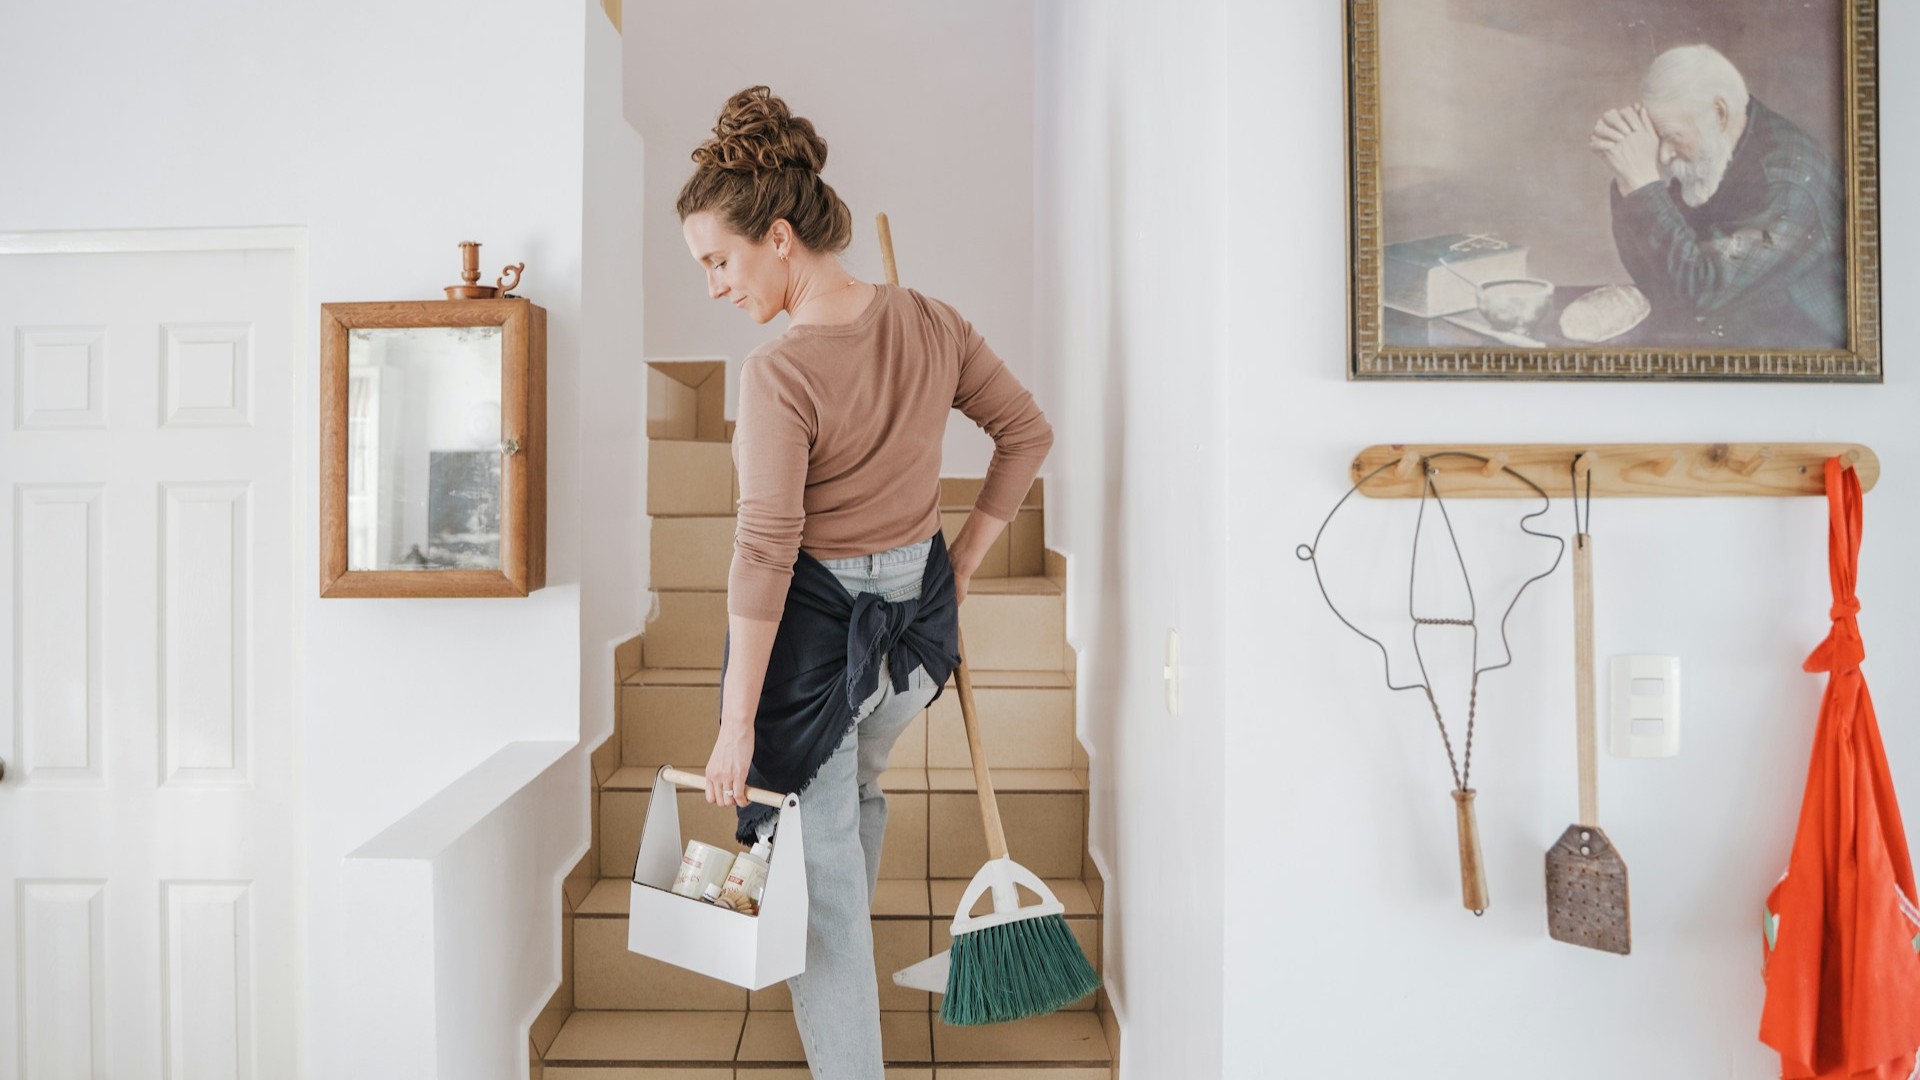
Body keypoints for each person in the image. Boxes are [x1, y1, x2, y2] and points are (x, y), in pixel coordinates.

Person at [675, 86, 1053, 1079]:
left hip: (816, 647)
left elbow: (765, 551)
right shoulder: (931, 321)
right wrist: (961, 559)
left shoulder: (778, 374)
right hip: (915, 635)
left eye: (719, 260)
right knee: (852, 804)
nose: (715, 287)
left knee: (816, 874)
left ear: (781, 237)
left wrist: (732, 723)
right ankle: (840, 946)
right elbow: (1027, 431)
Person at [1588, 44, 1846, 347]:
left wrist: (1643, 183)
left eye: (1670, 136)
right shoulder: (1715, 152)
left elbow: (1701, 290)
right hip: (1733, 332)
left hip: (1800, 352)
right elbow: (1659, 276)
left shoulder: (1787, 182)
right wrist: (1628, 182)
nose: (1664, 156)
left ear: (1719, 113)